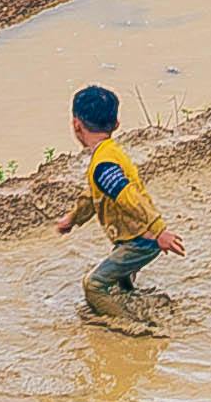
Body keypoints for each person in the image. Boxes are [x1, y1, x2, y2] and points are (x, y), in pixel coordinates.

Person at [69, 81, 177, 327]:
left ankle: (132, 327)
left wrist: (159, 230)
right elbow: (92, 196)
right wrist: (72, 219)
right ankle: (129, 294)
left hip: (141, 239)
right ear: (116, 125)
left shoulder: (103, 165)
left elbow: (128, 196)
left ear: (76, 125)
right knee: (120, 276)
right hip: (138, 235)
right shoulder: (111, 153)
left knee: (93, 285)